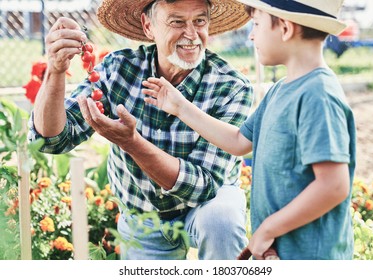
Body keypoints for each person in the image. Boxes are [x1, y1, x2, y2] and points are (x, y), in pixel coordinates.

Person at [28, 0, 254, 260]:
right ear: (149, 26)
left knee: (221, 218)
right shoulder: (119, 69)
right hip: (143, 216)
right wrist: (55, 70)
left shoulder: (231, 86)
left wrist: (132, 143)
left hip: (205, 206)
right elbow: (53, 140)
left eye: (199, 21)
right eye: (177, 22)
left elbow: (202, 187)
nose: (191, 35)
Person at [142, 0, 357, 260]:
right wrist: (180, 106)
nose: (252, 34)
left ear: (286, 28)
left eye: (256, 24)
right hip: (282, 251)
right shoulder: (281, 89)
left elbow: (334, 185)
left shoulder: (318, 95)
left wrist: (268, 228)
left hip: (313, 256)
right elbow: (239, 140)